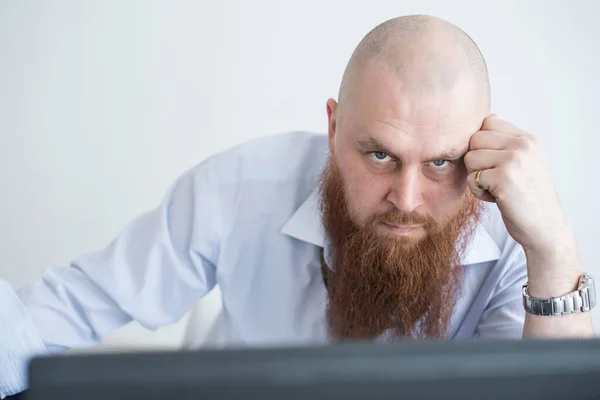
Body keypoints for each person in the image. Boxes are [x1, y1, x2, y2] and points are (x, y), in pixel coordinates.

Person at [0, 14, 594, 398]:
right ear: (334, 127)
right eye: (380, 154)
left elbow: (544, 395)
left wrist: (554, 248)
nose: (407, 200)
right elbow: (66, 309)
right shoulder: (239, 189)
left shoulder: (514, 241)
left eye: (441, 162)